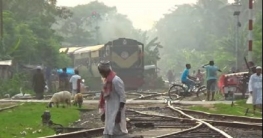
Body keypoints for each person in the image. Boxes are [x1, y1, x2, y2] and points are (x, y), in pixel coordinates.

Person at [98, 61, 128, 138]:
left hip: (117, 107)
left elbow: (122, 96)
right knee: (109, 126)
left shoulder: (116, 80)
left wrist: (119, 110)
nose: (101, 74)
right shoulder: (107, 81)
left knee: (116, 127)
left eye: (101, 72)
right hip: (109, 107)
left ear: (105, 71)